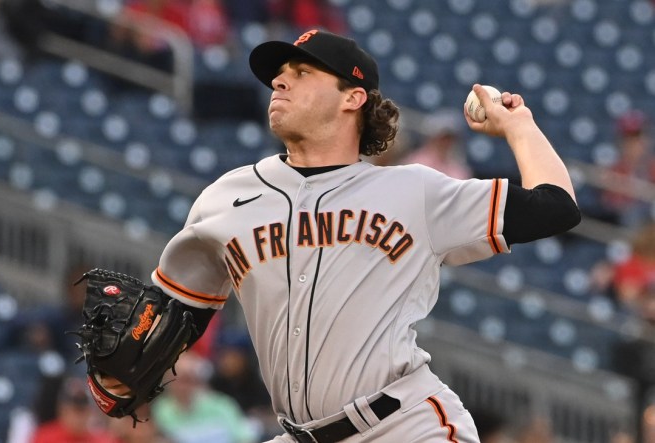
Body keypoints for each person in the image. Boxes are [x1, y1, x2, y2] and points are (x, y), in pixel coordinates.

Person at [98, 29, 580, 442]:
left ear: (353, 97)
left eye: (303, 72)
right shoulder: (227, 198)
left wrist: (520, 127)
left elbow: (556, 207)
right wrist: (125, 364)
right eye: (279, 73)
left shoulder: (414, 192)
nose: (280, 80)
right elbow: (177, 314)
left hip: (405, 426)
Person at [151, 351, 259, 443]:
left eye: (188, 380)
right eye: (175, 381)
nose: (182, 387)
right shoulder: (160, 410)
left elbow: (245, 437)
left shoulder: (222, 405)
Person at [600, 109, 655, 227]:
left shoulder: (653, 167)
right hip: (624, 229)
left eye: (637, 137)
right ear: (620, 141)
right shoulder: (612, 172)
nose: (634, 144)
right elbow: (612, 206)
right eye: (629, 139)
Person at [400, 109, 472, 179]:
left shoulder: (459, 169)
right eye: (442, 138)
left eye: (449, 139)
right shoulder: (415, 163)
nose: (445, 143)